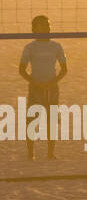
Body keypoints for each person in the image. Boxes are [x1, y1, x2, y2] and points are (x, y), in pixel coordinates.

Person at [18, 15, 67, 160]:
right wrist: (33, 82)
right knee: (32, 120)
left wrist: (54, 81)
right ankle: (30, 153)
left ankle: (50, 153)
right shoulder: (30, 47)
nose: (47, 27)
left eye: (48, 24)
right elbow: (21, 70)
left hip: (52, 88)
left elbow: (64, 69)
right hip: (36, 88)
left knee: (52, 120)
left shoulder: (56, 46)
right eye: (43, 25)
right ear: (34, 29)